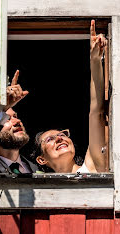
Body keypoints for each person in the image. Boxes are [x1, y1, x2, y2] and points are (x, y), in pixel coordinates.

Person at [33, 20, 107, 173]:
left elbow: (96, 112)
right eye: (50, 139)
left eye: (63, 134)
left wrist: (95, 60)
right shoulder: (40, 192)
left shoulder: (90, 166)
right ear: (41, 160)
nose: (60, 138)